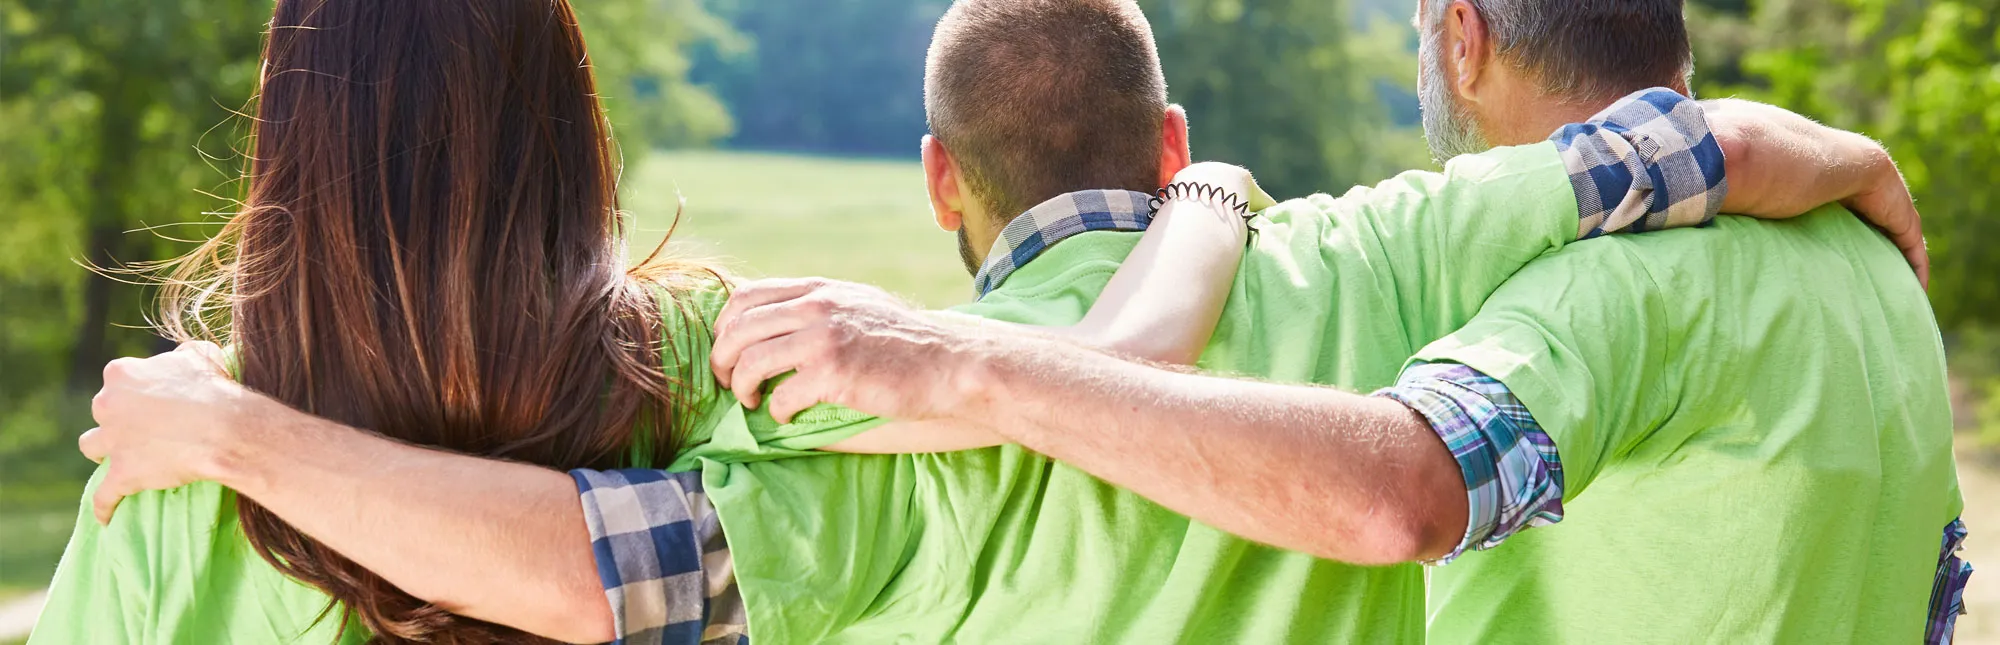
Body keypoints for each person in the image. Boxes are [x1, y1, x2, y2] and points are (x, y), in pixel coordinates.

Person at [68, 0, 1926, 644]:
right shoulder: (1380, 255)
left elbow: (597, 579)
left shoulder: (164, 485)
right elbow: (1607, 171)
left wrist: (228, 428)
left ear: (941, 181)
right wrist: (1822, 148)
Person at [697, 1, 1971, 643]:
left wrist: (974, 364)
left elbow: (1403, 492)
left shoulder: (1605, 290)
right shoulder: (1872, 274)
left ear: (1460, 37)